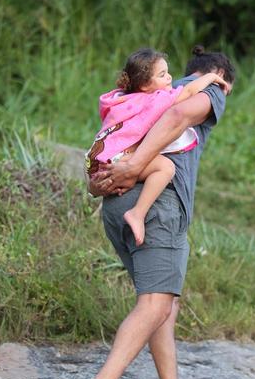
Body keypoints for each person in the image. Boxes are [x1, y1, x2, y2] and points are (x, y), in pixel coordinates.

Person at [75, 45, 235, 379]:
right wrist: (133, 166)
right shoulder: (208, 88)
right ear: (220, 76)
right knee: (155, 304)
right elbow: (182, 114)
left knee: (162, 307)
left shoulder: (144, 95)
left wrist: (108, 177)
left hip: (118, 208)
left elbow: (106, 149)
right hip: (156, 209)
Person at [86, 48, 228, 245]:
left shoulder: (120, 99)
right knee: (166, 168)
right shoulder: (155, 99)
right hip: (118, 160)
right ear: (144, 85)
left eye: (168, 72)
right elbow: (188, 92)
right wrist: (212, 76)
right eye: (162, 75)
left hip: (96, 160)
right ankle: (137, 213)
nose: (170, 78)